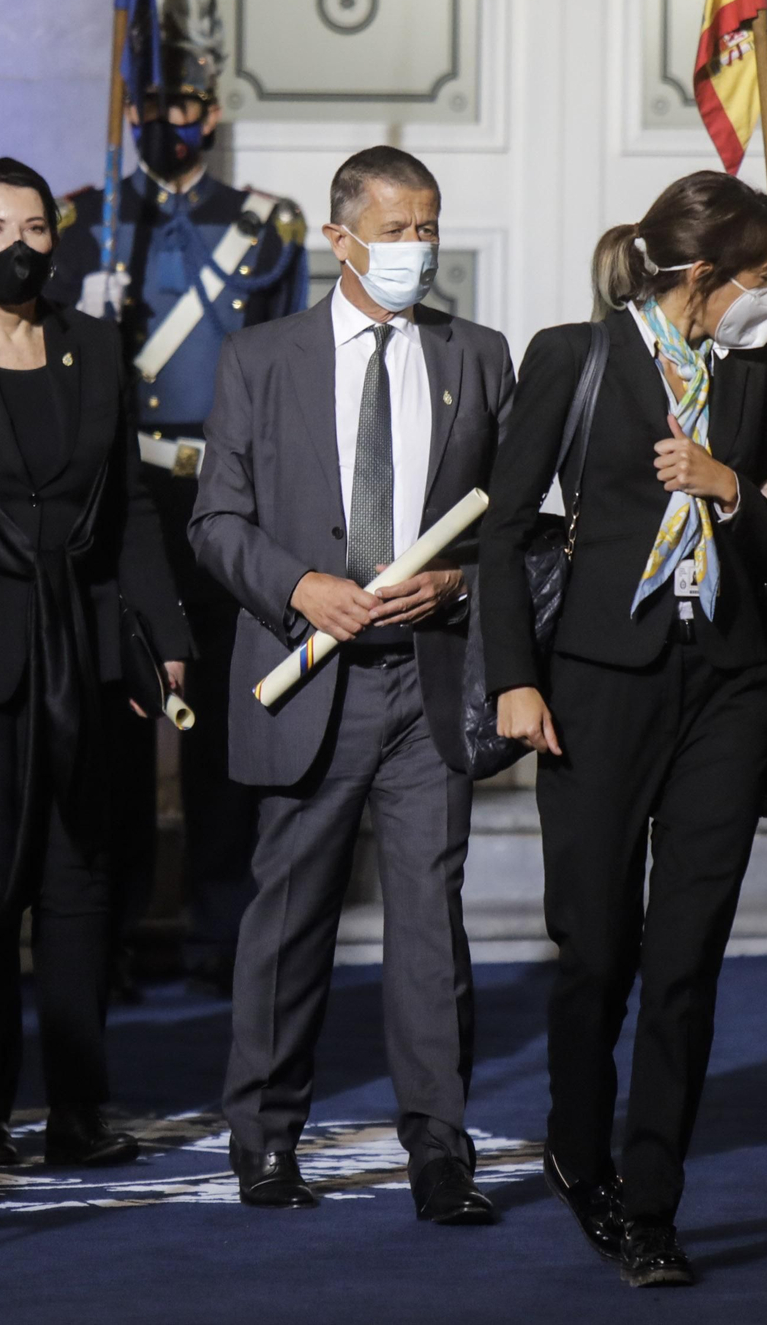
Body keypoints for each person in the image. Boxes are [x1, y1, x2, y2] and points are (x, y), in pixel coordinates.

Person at [480, 171, 767, 1287]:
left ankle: (652, 1203)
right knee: (600, 946)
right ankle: (577, 1147)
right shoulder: (572, 355)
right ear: (709, 276)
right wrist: (513, 680)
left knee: (685, 955)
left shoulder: (758, 376)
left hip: (727, 682)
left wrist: (737, 487)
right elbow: (503, 528)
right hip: (596, 683)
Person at [190, 146, 506, 1225]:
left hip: (429, 688)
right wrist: (300, 585)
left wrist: (458, 581)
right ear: (338, 238)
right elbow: (214, 522)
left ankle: (438, 1150)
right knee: (287, 921)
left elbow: (517, 528)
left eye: (427, 225)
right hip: (307, 679)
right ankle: (267, 1141)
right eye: (394, 227)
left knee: (430, 920)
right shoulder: (258, 358)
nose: (415, 246)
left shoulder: (480, 355)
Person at [0, 156, 190, 1169]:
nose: (19, 247)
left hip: (88, 649)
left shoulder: (96, 345)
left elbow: (130, 505)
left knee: (80, 881)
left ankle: (79, 1109)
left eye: (35, 229)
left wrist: (166, 639)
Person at [47, 0, 307, 995]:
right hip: (124, 499)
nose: (167, 120)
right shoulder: (83, 221)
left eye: (185, 102)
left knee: (222, 737)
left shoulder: (265, 230)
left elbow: (279, 379)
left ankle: (216, 935)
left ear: (214, 110)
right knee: (117, 733)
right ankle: (102, 936)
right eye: (150, 102)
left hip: (220, 500)